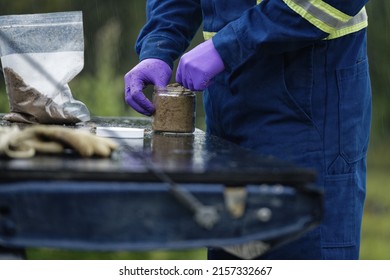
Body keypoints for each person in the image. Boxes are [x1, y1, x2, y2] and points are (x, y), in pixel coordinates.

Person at [124, 0, 372, 260]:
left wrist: (229, 45)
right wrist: (158, 44)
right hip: (227, 101)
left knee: (300, 247)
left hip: (309, 101)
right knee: (234, 251)